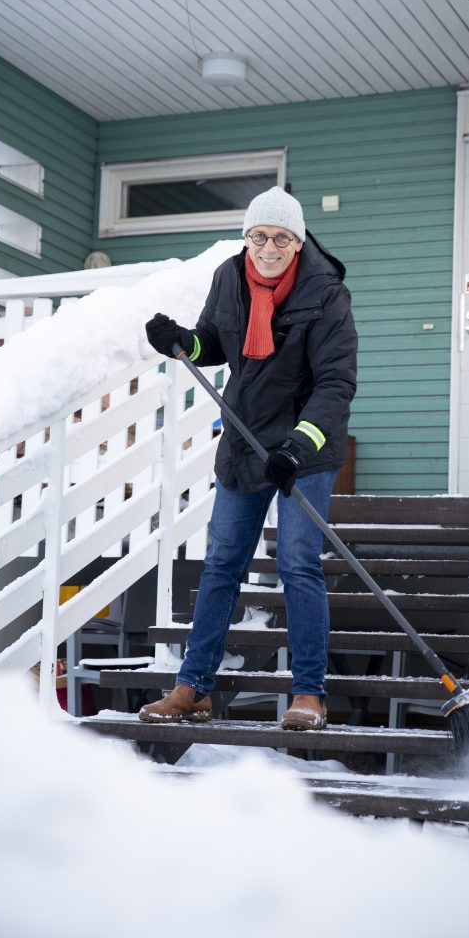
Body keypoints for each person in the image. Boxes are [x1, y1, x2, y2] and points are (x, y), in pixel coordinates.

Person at [141, 186, 358, 730]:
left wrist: (299, 443)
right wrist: (182, 343)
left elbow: (335, 382)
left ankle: (309, 694)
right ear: (246, 239)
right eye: (258, 236)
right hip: (243, 441)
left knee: (298, 565)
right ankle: (192, 688)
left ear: (298, 239)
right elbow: (216, 343)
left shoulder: (325, 292)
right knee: (221, 567)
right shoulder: (229, 277)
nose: (268, 247)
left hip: (303, 448)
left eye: (281, 237)